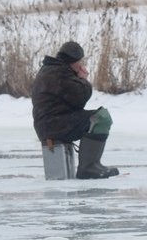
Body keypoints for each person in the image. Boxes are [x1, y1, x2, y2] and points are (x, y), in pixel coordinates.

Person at [31, 41, 119, 179]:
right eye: (80, 61)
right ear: (73, 61)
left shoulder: (52, 70)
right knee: (101, 118)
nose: (81, 65)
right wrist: (83, 80)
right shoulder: (59, 74)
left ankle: (92, 164)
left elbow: (74, 105)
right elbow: (79, 96)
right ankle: (88, 168)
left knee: (97, 117)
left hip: (50, 123)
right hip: (54, 125)